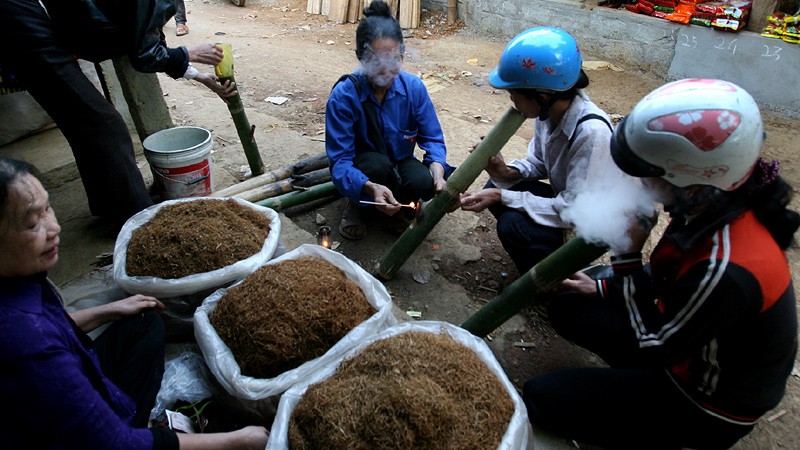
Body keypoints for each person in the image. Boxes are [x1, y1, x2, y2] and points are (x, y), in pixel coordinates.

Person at [523, 79, 799, 449]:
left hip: (707, 403)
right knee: (571, 304)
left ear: (693, 182)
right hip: (681, 344)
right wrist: (603, 286)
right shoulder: (713, 204)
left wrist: (626, 255)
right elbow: (669, 276)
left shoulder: (727, 268)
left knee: (541, 398)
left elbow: (655, 347)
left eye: (651, 174)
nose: (640, 184)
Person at [0, 157, 269, 449]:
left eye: (48, 208)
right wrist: (235, 441)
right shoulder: (26, 343)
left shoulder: (21, 284)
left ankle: (137, 423)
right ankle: (143, 427)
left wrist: (110, 311)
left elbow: (54, 326)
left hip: (70, 377)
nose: (54, 228)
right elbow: (115, 444)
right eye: (31, 223)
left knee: (144, 320)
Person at [0, 0, 236, 226]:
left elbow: (147, 36)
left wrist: (200, 76)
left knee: (86, 125)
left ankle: (110, 205)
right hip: (22, 18)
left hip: (39, 19)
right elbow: (145, 55)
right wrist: (190, 53)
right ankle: (139, 221)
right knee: (103, 125)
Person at [459, 27, 623, 274]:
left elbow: (575, 212)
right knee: (496, 187)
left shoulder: (591, 132)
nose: (511, 99)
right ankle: (539, 263)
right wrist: (505, 171)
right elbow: (539, 163)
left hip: (587, 227)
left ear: (542, 94)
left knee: (511, 223)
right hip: (568, 203)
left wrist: (505, 198)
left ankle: (553, 281)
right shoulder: (546, 113)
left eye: (514, 93)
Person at [325, 0, 453, 240]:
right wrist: (369, 186)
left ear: (402, 54)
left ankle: (397, 204)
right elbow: (340, 161)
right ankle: (358, 203)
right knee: (377, 168)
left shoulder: (414, 88)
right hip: (366, 167)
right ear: (361, 58)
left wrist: (439, 173)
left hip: (399, 161)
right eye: (377, 62)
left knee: (422, 182)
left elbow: (433, 139)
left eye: (394, 59)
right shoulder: (344, 96)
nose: (387, 70)